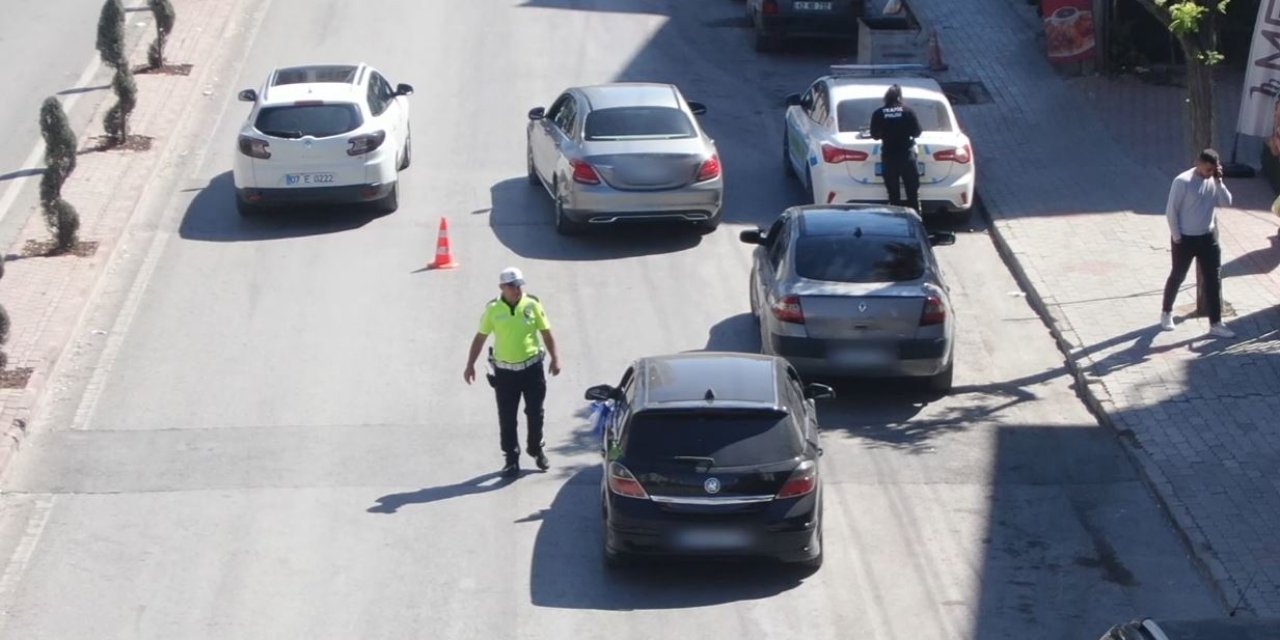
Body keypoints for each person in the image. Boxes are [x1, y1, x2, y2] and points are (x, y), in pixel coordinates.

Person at [464, 267, 562, 476]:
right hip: (505, 373)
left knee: (535, 412)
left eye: (519, 286)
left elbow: (546, 332)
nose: (517, 290)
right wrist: (470, 364)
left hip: (532, 369)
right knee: (507, 417)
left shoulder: (532, 304)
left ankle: (535, 448)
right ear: (502, 287)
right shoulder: (493, 309)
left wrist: (555, 358)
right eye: (513, 286)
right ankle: (511, 457)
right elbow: (480, 337)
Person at [1160, 149, 1234, 338]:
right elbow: (1171, 211)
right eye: (1207, 169)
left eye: (1213, 170)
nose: (1209, 173)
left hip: (1208, 238)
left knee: (1213, 279)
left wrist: (1219, 182)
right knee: (1178, 275)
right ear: (1198, 163)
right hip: (1185, 238)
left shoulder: (1213, 181)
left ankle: (1216, 322)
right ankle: (1166, 312)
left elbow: (1227, 203)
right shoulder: (1182, 182)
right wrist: (1177, 237)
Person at [869, 84, 922, 214]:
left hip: (889, 157)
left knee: (893, 195)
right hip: (907, 157)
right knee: (912, 193)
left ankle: (897, 224)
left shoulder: (879, 113)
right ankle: (916, 221)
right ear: (899, 97)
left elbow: (874, 135)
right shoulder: (908, 112)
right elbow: (917, 132)